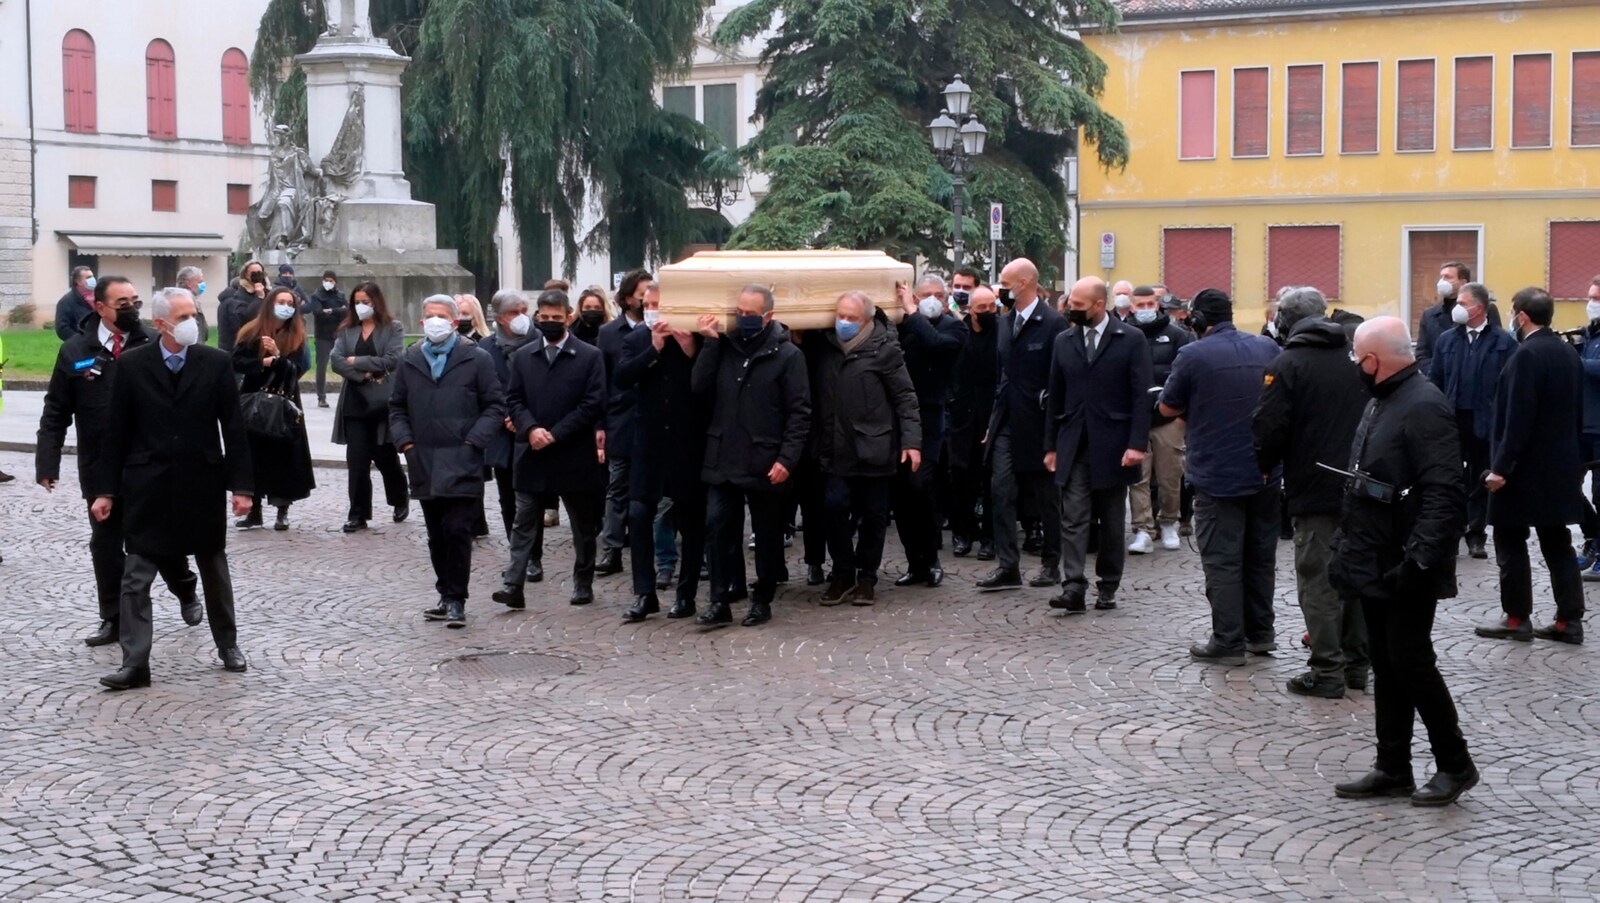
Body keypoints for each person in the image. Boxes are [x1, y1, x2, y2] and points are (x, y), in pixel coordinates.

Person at [1329, 316, 1477, 807]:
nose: (1354, 364)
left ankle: (1455, 763)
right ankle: (1392, 765)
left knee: (1412, 662)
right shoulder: (1384, 398)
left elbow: (1444, 492)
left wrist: (1419, 561)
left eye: (1357, 357)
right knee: (1387, 663)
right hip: (1375, 554)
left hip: (1406, 561)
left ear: (1373, 360)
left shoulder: (1424, 404)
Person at [91, 286, 253, 689]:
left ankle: (228, 644)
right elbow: (116, 433)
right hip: (147, 485)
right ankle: (135, 663)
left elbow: (233, 430)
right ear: (161, 323)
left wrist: (242, 487)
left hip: (201, 483)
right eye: (182, 317)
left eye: (193, 314)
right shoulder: (132, 365)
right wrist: (105, 491)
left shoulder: (215, 363)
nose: (191, 323)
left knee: (213, 569)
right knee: (136, 577)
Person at [36, 278, 200, 647]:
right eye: (122, 302)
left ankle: (185, 588)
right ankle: (112, 617)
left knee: (158, 538)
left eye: (135, 301)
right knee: (106, 545)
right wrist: (47, 462)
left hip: (149, 463)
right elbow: (56, 410)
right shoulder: (76, 350)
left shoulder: (153, 342)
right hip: (99, 467)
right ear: (100, 308)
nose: (131, 308)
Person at [1251, 287, 1370, 698]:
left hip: (1313, 486)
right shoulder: (1355, 356)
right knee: (1355, 577)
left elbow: (1269, 425)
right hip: (1360, 485)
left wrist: (1265, 464)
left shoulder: (1288, 363)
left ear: (1286, 321)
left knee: (1317, 580)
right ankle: (1357, 665)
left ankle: (1326, 670)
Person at [1158, 289, 1282, 665]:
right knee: (1260, 556)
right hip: (1264, 471)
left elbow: (1167, 406)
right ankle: (1260, 633)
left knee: (1223, 560)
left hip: (1218, 473)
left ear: (1197, 321)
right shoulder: (1267, 347)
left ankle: (1228, 640)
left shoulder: (1193, 354)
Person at [692, 285, 811, 627]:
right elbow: (699, 388)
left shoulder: (788, 356)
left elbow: (800, 412)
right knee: (716, 527)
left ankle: (763, 598)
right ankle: (719, 600)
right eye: (740, 312)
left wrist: (786, 459)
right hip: (724, 456)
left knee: (767, 535)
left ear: (768, 316)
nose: (744, 318)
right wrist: (710, 344)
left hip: (765, 459)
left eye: (751, 314)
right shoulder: (723, 346)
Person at [1476, 288, 1586, 645]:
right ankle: (1569, 620)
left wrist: (1501, 468)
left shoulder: (1526, 355)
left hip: (1523, 470)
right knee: (1558, 542)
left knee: (1510, 540)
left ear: (1521, 316)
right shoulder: (1568, 353)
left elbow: (1517, 417)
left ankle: (1516, 617)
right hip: (1559, 467)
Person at [390, 295, 506, 628]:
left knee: (457, 530)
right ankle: (444, 593)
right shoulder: (410, 359)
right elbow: (397, 407)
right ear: (421, 322)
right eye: (429, 316)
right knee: (436, 534)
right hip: (423, 459)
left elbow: (494, 406)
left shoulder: (477, 358)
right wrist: (406, 443)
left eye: (441, 316)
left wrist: (474, 441)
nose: (435, 321)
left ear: (455, 322)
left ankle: (457, 598)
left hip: (462, 458)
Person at [1044, 276, 1152, 612]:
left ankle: (1108, 583)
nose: (1071, 310)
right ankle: (1073, 586)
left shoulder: (1130, 339)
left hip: (1114, 445)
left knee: (1111, 520)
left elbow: (1141, 395)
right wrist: (1051, 446)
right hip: (1074, 442)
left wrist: (1137, 444)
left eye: (1078, 306)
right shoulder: (1064, 341)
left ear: (1099, 305)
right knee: (1073, 516)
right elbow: (1055, 395)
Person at [807, 291, 922, 606]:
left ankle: (867, 577)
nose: (843, 323)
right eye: (840, 316)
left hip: (876, 446)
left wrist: (911, 443)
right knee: (833, 508)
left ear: (868, 320)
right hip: (835, 446)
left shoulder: (885, 349)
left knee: (873, 515)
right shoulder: (825, 347)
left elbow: (905, 397)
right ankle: (843, 572)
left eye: (851, 318)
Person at [496, 290, 606, 610]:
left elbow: (592, 404)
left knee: (582, 524)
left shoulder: (589, 356)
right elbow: (514, 399)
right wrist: (531, 429)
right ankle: (513, 583)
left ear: (569, 317)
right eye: (545, 318)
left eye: (557, 318)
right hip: (532, 451)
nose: (550, 323)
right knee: (523, 522)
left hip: (573, 453)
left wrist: (555, 434)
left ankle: (582, 582)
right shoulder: (523, 356)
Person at [613, 285, 708, 621]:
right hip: (648, 444)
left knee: (691, 520)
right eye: (647, 304)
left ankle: (686, 594)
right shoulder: (637, 339)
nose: (652, 309)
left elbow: (708, 385)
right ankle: (644, 592)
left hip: (686, 443)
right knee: (639, 513)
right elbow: (622, 378)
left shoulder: (695, 337)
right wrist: (652, 349)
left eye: (658, 304)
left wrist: (690, 349)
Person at [977, 258, 1067, 592]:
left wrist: (1056, 429)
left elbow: (1061, 378)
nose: (1001, 289)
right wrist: (994, 421)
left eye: (1005, 283)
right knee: (1001, 491)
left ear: (1024, 282)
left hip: (1040, 423)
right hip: (1007, 421)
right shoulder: (1005, 322)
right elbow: (1002, 376)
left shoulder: (1054, 323)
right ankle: (1008, 566)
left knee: (1047, 498)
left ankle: (1051, 563)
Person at [1428, 282, 1515, 560]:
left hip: (1485, 422)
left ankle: (1476, 535)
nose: (1457, 308)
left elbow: (1509, 387)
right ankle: (1450, 532)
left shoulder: (1504, 342)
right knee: (1450, 479)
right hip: (1452, 420)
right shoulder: (1446, 340)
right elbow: (1435, 381)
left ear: (1479, 308)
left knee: (1480, 479)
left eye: (1462, 304)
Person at [892, 276, 967, 588]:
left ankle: (932, 558)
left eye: (938, 294)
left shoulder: (954, 328)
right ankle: (915, 563)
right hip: (898, 416)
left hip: (930, 417)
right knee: (900, 494)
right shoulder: (901, 325)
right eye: (925, 294)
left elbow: (935, 344)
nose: (932, 299)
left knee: (921, 485)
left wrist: (912, 312)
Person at [232, 288, 316, 531]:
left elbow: (298, 369)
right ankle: (254, 510)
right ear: (270, 303)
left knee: (284, 453)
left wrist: (278, 358)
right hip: (254, 398)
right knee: (254, 453)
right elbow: (236, 361)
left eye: (290, 303)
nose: (286, 307)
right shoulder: (251, 331)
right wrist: (262, 362)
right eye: (281, 302)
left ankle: (282, 511)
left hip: (284, 399)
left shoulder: (297, 336)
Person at [330, 281, 407, 532]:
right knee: (357, 460)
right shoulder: (347, 330)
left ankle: (399, 497)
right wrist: (363, 373)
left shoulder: (393, 328)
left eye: (366, 301)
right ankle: (358, 514)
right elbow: (336, 360)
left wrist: (356, 360)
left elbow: (392, 359)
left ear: (376, 302)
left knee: (385, 456)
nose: (361, 306)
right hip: (355, 402)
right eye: (357, 302)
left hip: (382, 401)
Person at [1127, 286, 1192, 553]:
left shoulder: (1177, 336)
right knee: (1138, 477)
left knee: (1170, 476)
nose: (1145, 310)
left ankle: (1168, 522)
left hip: (1169, 418)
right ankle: (1143, 528)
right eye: (1140, 305)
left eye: (1149, 304)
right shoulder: (1124, 335)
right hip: (1134, 417)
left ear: (1157, 305)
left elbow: (1188, 376)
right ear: (1131, 306)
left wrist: (1182, 417)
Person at [596, 269, 652, 576]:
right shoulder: (608, 333)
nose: (646, 301)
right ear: (628, 298)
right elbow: (601, 380)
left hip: (655, 418)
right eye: (642, 295)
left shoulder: (661, 327)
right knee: (617, 486)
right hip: (621, 418)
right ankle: (612, 549)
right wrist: (600, 424)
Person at [946, 273, 998, 561]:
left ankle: (989, 538)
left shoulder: (1003, 333)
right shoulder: (959, 331)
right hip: (962, 415)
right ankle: (962, 533)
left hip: (992, 414)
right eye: (982, 308)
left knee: (991, 480)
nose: (988, 312)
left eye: (992, 307)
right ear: (971, 309)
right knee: (960, 476)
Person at [478, 290, 533, 549]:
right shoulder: (485, 348)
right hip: (502, 432)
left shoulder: (539, 341)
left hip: (532, 428)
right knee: (507, 495)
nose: (521, 317)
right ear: (500, 318)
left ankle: (532, 553)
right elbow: (485, 388)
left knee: (531, 497)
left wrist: (523, 417)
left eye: (524, 311)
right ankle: (516, 549)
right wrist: (506, 415)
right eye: (513, 313)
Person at [1415, 261, 1500, 378]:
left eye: (1448, 277)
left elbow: (1496, 345)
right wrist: (1438, 374)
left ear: (1463, 282)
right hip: (1440, 382)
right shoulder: (1430, 315)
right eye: (1441, 277)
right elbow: (1422, 353)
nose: (1442, 281)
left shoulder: (1485, 309)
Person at [1578, 276, 1600, 580]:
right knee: (1567, 487)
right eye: (1591, 297)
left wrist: (1574, 361)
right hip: (1581, 424)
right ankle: (1593, 537)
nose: (1591, 303)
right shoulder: (1589, 334)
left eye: (1597, 298)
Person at [307, 270, 348, 408]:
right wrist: (338, 310)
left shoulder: (340, 295)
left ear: (335, 282)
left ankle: (346, 395)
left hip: (338, 334)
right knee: (322, 366)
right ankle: (321, 397)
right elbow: (318, 312)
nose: (328, 283)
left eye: (331, 280)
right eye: (326, 280)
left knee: (343, 365)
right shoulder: (316, 296)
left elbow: (347, 311)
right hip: (322, 335)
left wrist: (330, 311)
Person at [217, 260, 269, 353]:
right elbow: (245, 319)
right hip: (238, 348)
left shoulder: (266, 292)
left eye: (259, 273)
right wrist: (259, 298)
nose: (257, 276)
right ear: (245, 275)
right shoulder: (236, 296)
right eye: (253, 273)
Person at [54, 266, 96, 340]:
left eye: (92, 276)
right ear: (78, 282)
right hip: (80, 344)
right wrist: (79, 341)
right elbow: (62, 328)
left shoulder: (99, 297)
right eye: (88, 277)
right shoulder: (66, 302)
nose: (92, 279)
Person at [176, 266, 211, 345]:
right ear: (188, 283)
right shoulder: (184, 303)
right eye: (200, 282)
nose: (203, 284)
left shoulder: (192, 301)